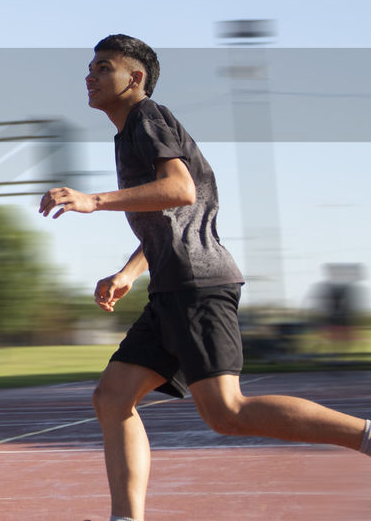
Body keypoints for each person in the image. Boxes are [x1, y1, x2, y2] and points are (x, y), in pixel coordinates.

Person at [39, 34, 371, 521]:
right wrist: (130, 271)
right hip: (173, 286)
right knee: (112, 397)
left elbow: (179, 190)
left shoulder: (147, 117)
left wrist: (95, 200)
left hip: (198, 284)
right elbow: (168, 217)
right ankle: (125, 517)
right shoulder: (130, 131)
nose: (90, 75)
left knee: (226, 412)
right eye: (89, 67)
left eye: (103, 66)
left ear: (136, 79)